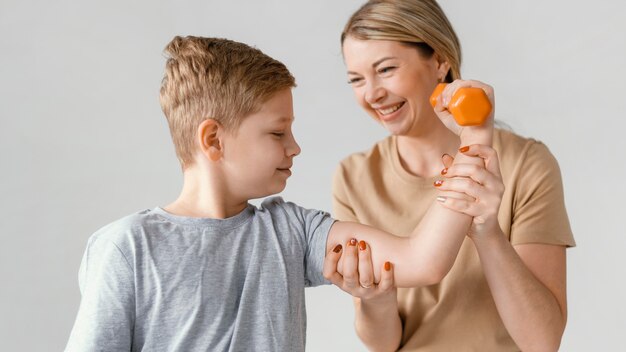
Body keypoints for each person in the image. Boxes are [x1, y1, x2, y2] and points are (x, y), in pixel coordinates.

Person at [64, 35, 493, 351]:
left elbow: (424, 260)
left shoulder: (292, 231)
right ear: (213, 139)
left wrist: (474, 135)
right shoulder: (127, 248)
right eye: (277, 132)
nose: (295, 146)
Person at [330, 0, 577, 351]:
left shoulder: (526, 163)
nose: (372, 94)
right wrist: (375, 298)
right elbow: (383, 345)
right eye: (356, 79)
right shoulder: (354, 177)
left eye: (385, 69)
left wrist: (488, 232)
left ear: (440, 61)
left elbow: (542, 340)